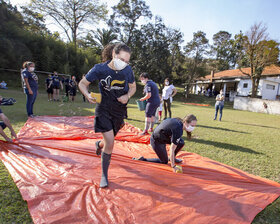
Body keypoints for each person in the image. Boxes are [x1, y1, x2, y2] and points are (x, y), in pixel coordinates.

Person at [79, 43, 136, 188]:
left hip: (119, 110)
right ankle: (104, 175)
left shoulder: (127, 71)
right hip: (103, 109)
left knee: (108, 141)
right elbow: (82, 83)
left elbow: (133, 87)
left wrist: (127, 96)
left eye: (127, 61)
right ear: (114, 54)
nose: (124, 64)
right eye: (121, 60)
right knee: (111, 142)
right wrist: (87, 95)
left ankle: (99, 144)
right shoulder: (100, 69)